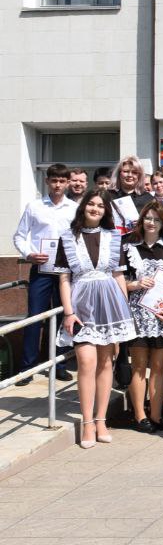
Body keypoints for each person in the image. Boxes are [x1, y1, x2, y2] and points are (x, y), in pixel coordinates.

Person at [53, 190, 139, 448]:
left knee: (105, 362)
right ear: (83, 207)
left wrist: (124, 312)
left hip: (110, 304)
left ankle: (101, 420)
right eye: (91, 204)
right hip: (81, 306)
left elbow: (118, 276)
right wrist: (68, 312)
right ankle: (87, 422)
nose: (95, 209)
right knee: (86, 361)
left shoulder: (114, 236)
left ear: (106, 211)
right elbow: (64, 278)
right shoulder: (67, 237)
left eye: (101, 206)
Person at [12, 163, 79, 384]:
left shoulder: (74, 208)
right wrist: (29, 254)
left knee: (62, 316)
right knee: (34, 317)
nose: (58, 185)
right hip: (41, 270)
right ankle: (27, 368)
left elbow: (79, 237)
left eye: (62, 181)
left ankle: (58, 365)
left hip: (66, 272)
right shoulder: (34, 206)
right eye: (54, 180)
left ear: (67, 183)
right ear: (47, 181)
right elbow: (19, 236)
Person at [122, 201, 163, 432]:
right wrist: (135, 284)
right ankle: (140, 416)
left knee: (159, 367)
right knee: (138, 366)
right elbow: (119, 281)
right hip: (137, 313)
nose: (152, 223)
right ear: (141, 220)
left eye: (157, 219)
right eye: (148, 218)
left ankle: (156, 416)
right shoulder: (128, 246)